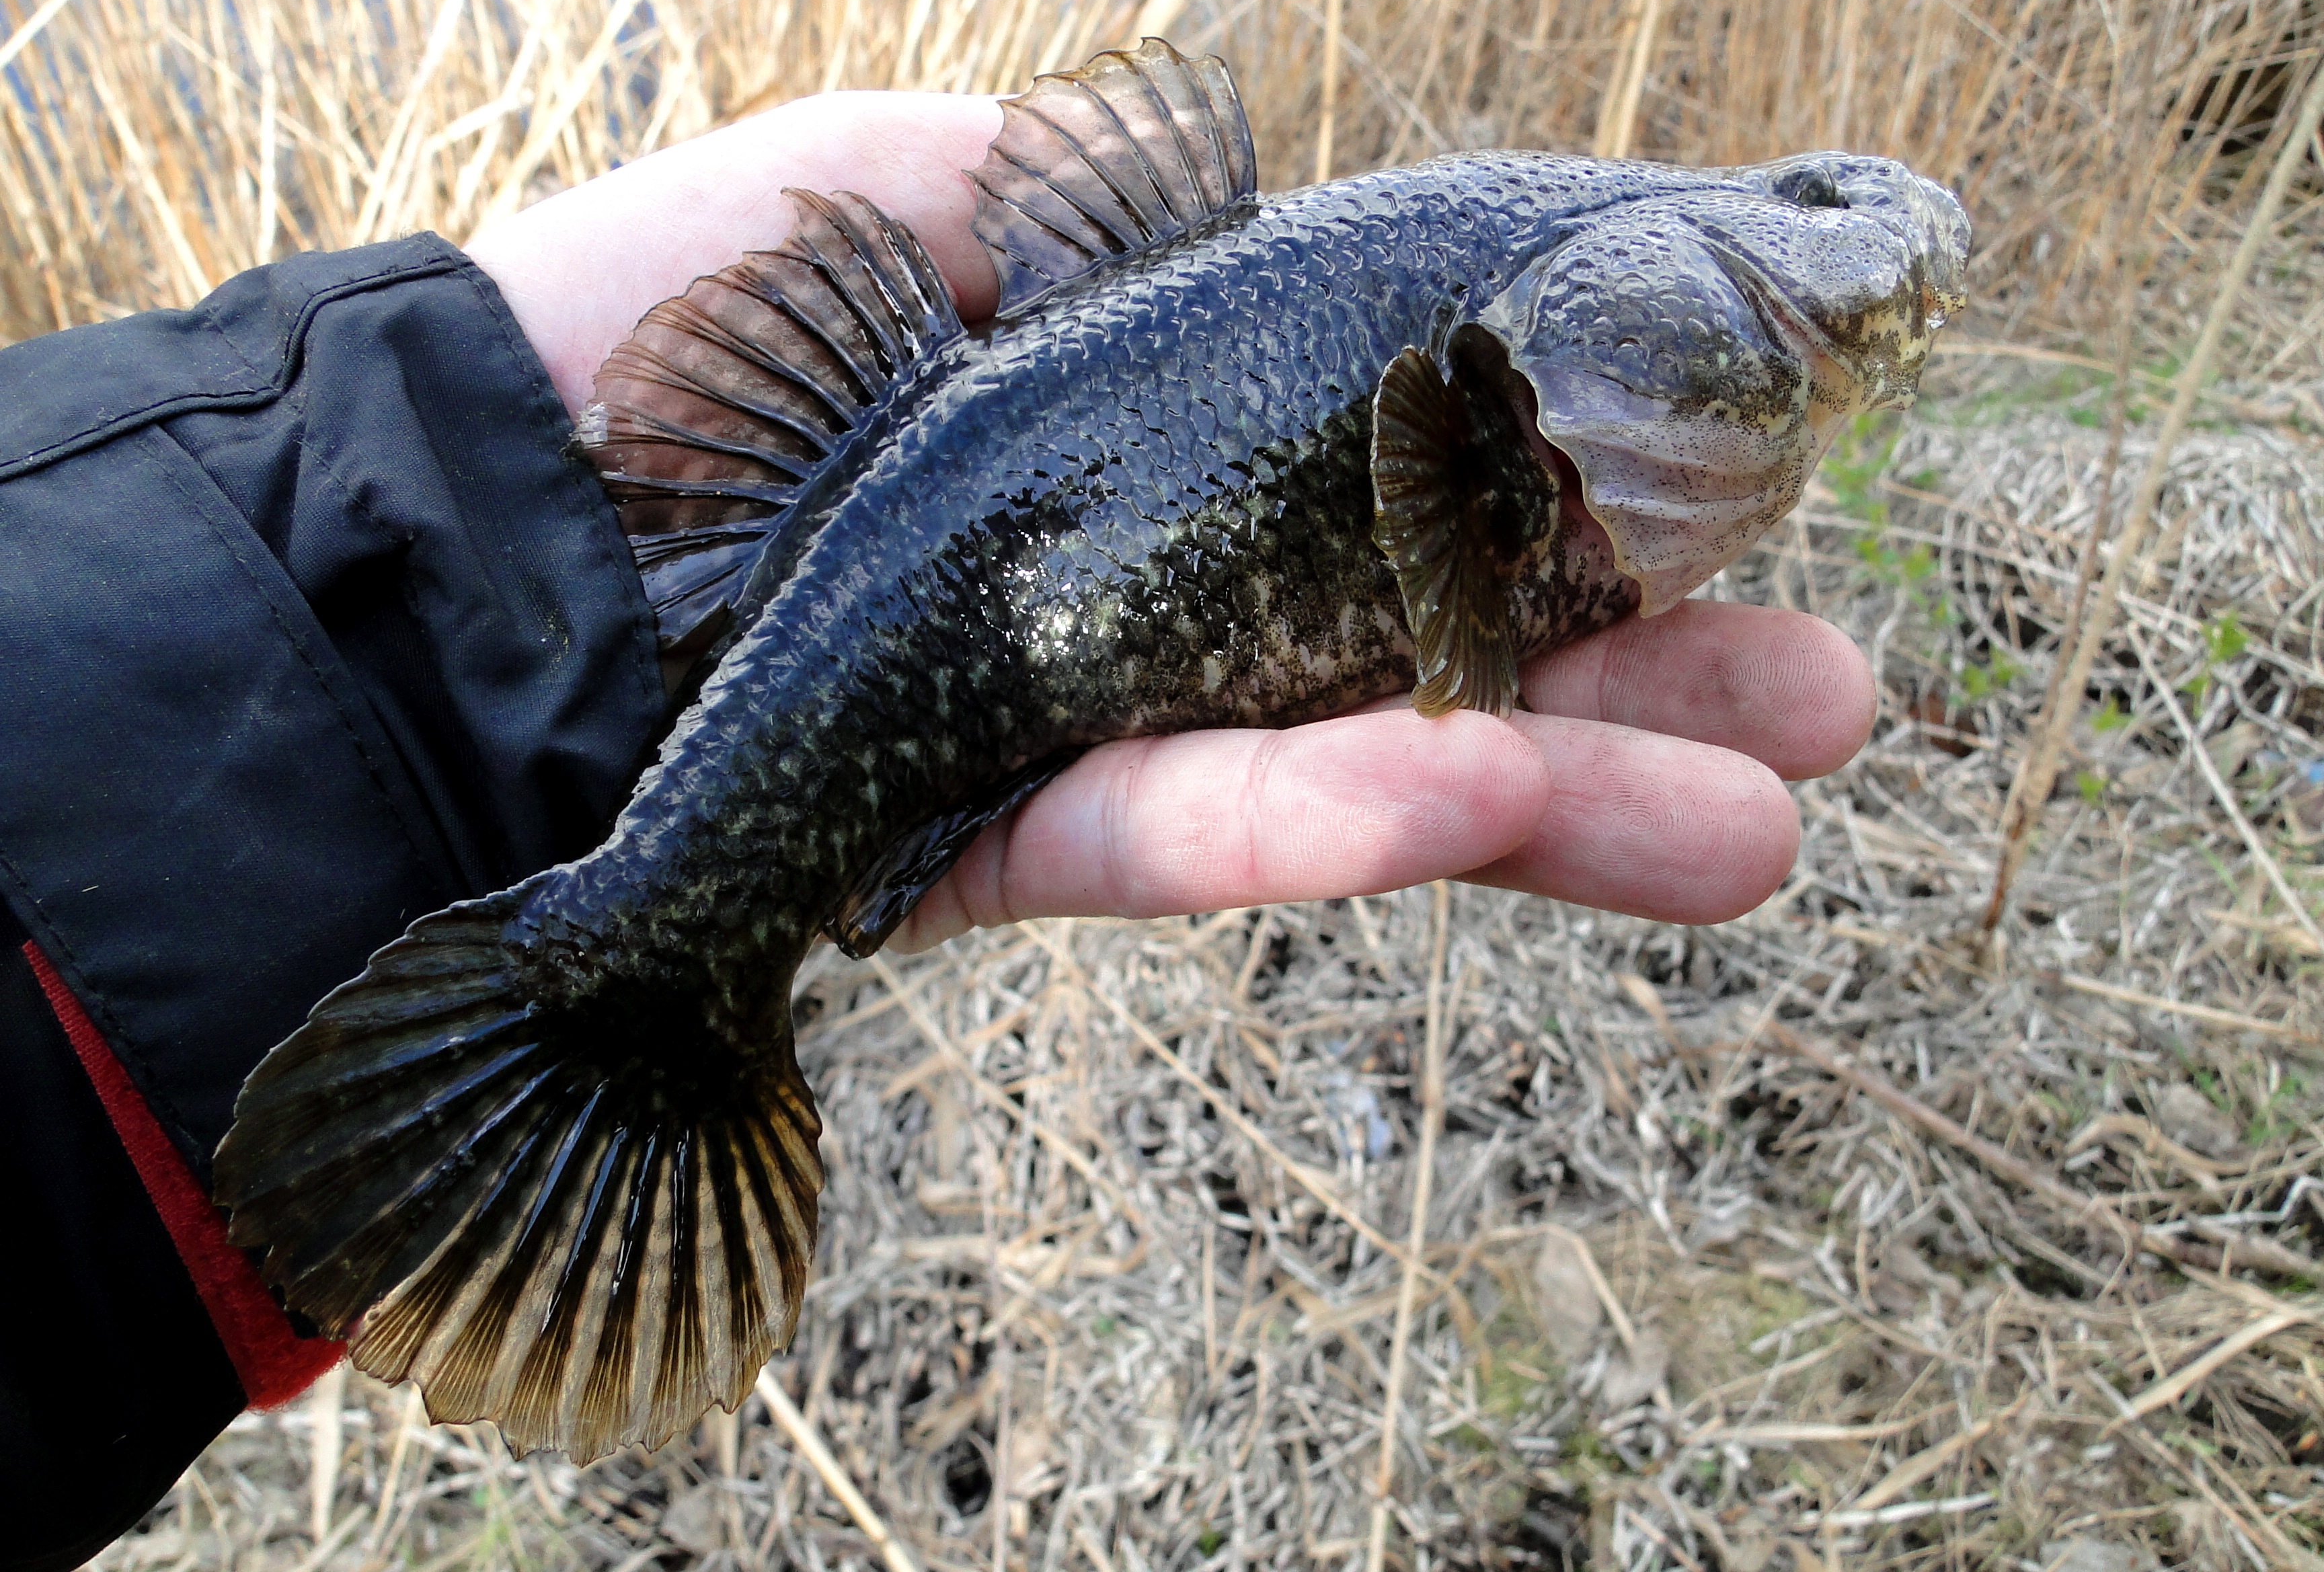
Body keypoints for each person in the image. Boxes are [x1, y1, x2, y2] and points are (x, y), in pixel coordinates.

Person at [0, 91, 1874, 1569]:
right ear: (1525, 392)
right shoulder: (1500, 315)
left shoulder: (1521, 274)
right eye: (1792, 245)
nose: (1832, 283)